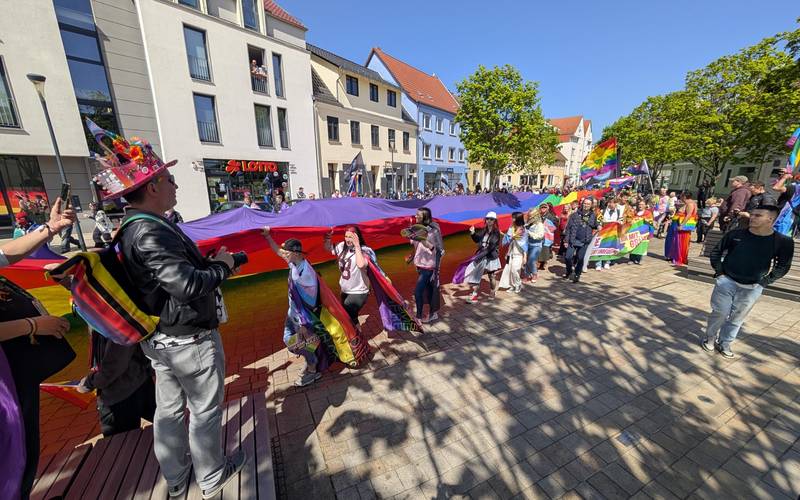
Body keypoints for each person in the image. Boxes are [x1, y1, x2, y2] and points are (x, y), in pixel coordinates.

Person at [90, 126, 244, 499]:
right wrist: (224, 264)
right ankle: (210, 477)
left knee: (169, 410)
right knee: (204, 411)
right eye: (170, 179)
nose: (175, 185)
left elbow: (166, 280)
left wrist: (204, 264)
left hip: (162, 339)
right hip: (188, 340)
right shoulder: (150, 232)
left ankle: (176, 478)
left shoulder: (133, 227)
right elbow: (187, 286)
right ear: (154, 187)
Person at [0, 197, 76, 499]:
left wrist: (50, 228)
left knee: (21, 443)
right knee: (10, 449)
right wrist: (33, 325)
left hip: (13, 372)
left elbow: (6, 254)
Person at [702, 201, 794, 357]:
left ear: (770, 219)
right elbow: (716, 252)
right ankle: (710, 338)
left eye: (758, 215)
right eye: (752, 214)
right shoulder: (736, 234)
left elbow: (783, 266)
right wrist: (720, 273)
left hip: (752, 287)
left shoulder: (782, 242)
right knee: (720, 312)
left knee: (737, 317)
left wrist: (764, 282)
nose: (752, 217)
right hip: (727, 281)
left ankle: (725, 343)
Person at [76, 328, 156, 437]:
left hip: (119, 395)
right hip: (138, 380)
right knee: (163, 424)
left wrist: (89, 383)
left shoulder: (111, 322)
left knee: (118, 444)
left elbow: (113, 365)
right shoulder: (102, 320)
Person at [324, 226, 375, 329]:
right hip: (345, 289)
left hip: (359, 291)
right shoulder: (342, 246)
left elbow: (361, 265)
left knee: (346, 316)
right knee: (352, 316)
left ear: (357, 237)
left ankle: (353, 338)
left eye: (351, 237)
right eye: (346, 236)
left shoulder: (365, 250)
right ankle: (358, 335)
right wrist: (327, 238)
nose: (347, 239)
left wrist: (357, 246)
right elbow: (328, 248)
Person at [409, 208, 443, 322]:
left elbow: (436, 249)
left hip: (429, 267)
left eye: (418, 215)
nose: (416, 216)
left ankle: (418, 317)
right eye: (416, 214)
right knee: (428, 290)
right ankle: (433, 313)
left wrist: (423, 240)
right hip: (420, 265)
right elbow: (414, 244)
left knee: (417, 292)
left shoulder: (433, 231)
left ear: (425, 217)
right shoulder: (417, 228)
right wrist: (412, 256)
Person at [465, 212, 502, 302]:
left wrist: (478, 256)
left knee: (491, 276)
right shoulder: (484, 230)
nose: (489, 221)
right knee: (476, 274)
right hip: (482, 255)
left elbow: (491, 247)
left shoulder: (496, 232)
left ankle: (492, 291)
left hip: (490, 257)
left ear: (495, 221)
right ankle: (475, 294)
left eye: (491, 219)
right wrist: (473, 233)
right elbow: (477, 240)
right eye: (487, 219)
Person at [563, 198, 598, 283]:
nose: (586, 205)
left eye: (588, 204)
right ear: (582, 204)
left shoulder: (593, 215)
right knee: (568, 257)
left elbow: (594, 225)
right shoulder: (574, 215)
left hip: (584, 241)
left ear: (591, 206)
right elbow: (568, 228)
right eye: (585, 203)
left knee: (580, 258)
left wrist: (598, 226)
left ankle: (577, 274)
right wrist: (566, 240)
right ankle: (569, 271)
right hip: (573, 239)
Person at [665, 193, 698, 266]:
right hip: (677, 222)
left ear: (685, 196)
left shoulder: (690, 204)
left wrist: (682, 225)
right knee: (674, 240)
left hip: (681, 224)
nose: (680, 198)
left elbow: (689, 215)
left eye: (681, 196)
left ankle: (675, 256)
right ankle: (672, 255)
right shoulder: (688, 203)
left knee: (676, 240)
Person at [499, 212, 528, 293]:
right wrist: (505, 235)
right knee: (509, 269)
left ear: (518, 218)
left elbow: (525, 243)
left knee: (515, 269)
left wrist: (525, 256)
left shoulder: (523, 229)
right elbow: (508, 239)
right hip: (511, 252)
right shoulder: (511, 227)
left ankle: (518, 284)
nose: (512, 219)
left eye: (513, 217)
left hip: (519, 253)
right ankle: (512, 285)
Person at [596, 198, 624, 270]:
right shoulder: (603, 211)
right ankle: (598, 263)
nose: (612, 204)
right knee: (600, 247)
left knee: (609, 247)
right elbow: (598, 221)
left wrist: (618, 222)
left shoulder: (618, 212)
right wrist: (600, 225)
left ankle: (607, 262)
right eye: (611, 202)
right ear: (608, 203)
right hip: (603, 232)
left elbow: (621, 221)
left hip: (612, 233)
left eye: (614, 203)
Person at [628, 200, 655, 264]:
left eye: (642, 204)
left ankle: (638, 259)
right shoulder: (635, 212)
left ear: (645, 206)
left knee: (641, 245)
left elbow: (650, 224)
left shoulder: (648, 213)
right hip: (634, 232)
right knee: (633, 244)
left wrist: (651, 233)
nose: (640, 206)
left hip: (644, 232)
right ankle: (631, 259)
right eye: (639, 204)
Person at [525, 208, 545, 282]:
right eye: (529, 216)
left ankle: (534, 274)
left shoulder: (539, 225)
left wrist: (529, 233)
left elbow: (540, 236)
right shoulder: (528, 223)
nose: (530, 217)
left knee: (531, 260)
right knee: (527, 261)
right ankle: (527, 275)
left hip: (536, 245)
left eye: (531, 216)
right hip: (528, 244)